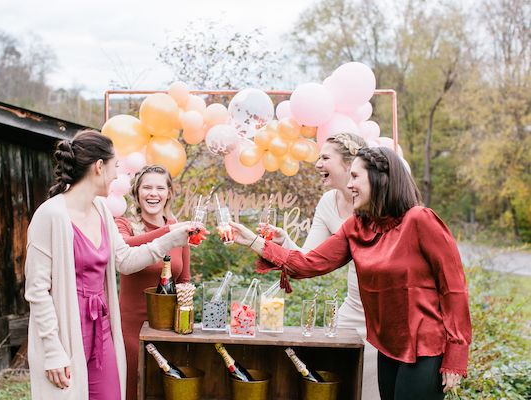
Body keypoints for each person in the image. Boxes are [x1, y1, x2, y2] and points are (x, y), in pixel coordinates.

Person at [231, 146, 471, 399]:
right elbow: (308, 263)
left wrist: (456, 355)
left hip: (425, 347)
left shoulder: (420, 220)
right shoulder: (356, 227)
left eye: (356, 176)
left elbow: (453, 288)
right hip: (387, 348)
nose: (350, 184)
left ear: (381, 178)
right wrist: (253, 241)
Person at [24, 130, 197, 400]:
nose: (118, 175)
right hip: (67, 330)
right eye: (115, 166)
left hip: (102, 328)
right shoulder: (50, 215)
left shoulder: (102, 211)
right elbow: (37, 291)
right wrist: (52, 349)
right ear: (99, 166)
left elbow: (125, 261)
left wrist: (170, 239)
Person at [266, 132, 380, 399]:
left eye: (325, 158)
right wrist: (285, 242)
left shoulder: (378, 202)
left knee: (372, 390)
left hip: (382, 313)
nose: (317, 164)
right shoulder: (328, 202)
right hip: (352, 309)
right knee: (334, 381)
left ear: (350, 164)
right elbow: (311, 258)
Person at [114, 165, 191, 400]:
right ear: (137, 193)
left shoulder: (179, 230)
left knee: (164, 387)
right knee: (133, 388)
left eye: (160, 187)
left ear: (169, 192)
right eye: (146, 187)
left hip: (167, 329)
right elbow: (126, 249)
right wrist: (169, 232)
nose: (153, 193)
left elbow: (184, 280)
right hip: (130, 328)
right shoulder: (122, 224)